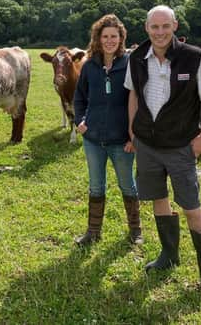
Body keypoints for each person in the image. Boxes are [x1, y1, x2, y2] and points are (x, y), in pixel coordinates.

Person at [124, 5, 201, 305]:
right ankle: (169, 254)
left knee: (192, 207)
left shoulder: (195, 58)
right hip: (148, 145)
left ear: (175, 26)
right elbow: (133, 94)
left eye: (165, 26)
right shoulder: (137, 58)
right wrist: (132, 131)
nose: (160, 32)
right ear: (146, 28)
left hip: (181, 146)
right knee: (158, 199)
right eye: (154, 27)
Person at [74, 14, 142, 246]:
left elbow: (139, 102)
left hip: (122, 141)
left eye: (114, 36)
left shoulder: (130, 64)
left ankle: (135, 230)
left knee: (127, 185)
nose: (110, 40)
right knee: (95, 185)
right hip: (92, 140)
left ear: (121, 37)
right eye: (105, 36)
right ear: (98, 38)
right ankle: (93, 232)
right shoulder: (89, 66)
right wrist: (79, 121)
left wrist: (134, 137)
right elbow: (79, 98)